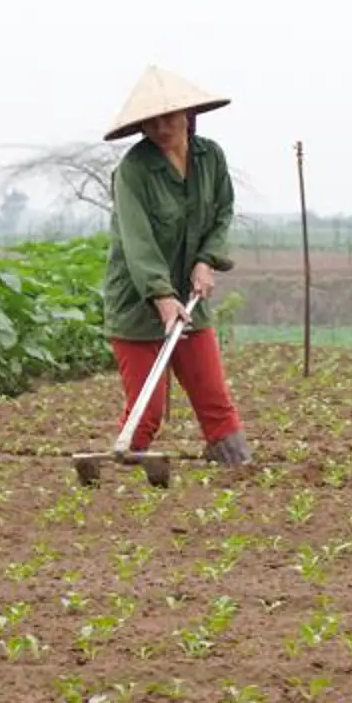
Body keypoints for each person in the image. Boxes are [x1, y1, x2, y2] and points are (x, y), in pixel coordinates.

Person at [99, 65, 252, 467]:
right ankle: (128, 479)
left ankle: (241, 471)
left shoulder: (210, 157)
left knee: (214, 400)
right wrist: (161, 297)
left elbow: (222, 212)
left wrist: (206, 261)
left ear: (188, 115)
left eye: (168, 116)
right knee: (146, 412)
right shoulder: (133, 172)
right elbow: (138, 241)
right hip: (137, 303)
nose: (161, 126)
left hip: (191, 296)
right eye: (150, 121)